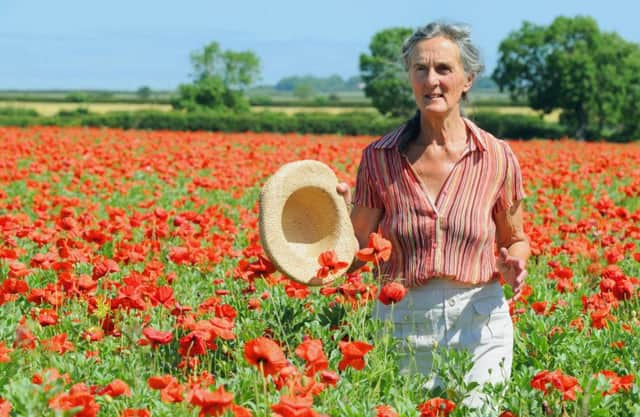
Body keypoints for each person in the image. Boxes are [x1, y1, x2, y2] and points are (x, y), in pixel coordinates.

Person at [337, 21, 529, 411]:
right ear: (410, 78)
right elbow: (356, 250)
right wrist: (333, 214)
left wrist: (515, 264)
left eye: (444, 69)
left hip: (480, 323)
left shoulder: (495, 156)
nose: (432, 80)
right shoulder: (380, 158)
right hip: (403, 321)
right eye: (420, 69)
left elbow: (515, 238)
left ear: (468, 79)